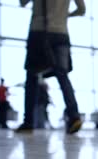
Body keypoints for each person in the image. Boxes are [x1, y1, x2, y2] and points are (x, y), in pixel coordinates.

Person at [15, 0, 85, 134]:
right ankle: (74, 116)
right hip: (61, 33)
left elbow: (23, 2)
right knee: (63, 76)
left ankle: (28, 122)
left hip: (39, 31)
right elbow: (82, 10)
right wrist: (65, 14)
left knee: (32, 76)